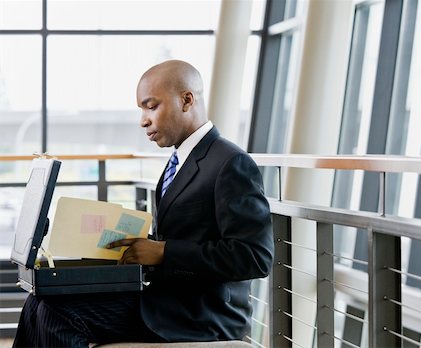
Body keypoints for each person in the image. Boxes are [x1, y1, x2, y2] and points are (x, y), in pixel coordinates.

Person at [13, 59, 274, 347]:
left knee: (56, 313)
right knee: (38, 302)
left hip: (200, 313)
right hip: (166, 297)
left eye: (151, 106)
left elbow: (254, 256)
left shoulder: (230, 162)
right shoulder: (181, 160)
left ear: (187, 100)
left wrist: (163, 252)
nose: (143, 120)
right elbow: (183, 238)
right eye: (142, 109)